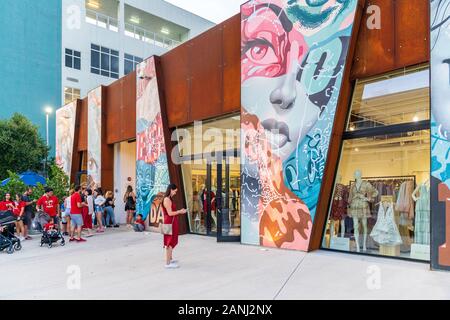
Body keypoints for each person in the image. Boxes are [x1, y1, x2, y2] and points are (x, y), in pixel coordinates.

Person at [162, 184, 187, 269]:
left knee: (170, 241)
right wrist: (180, 211)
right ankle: (168, 263)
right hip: (169, 222)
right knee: (169, 242)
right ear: (171, 190)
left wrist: (179, 211)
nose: (175, 193)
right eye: (175, 191)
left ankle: (170, 259)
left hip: (168, 222)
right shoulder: (167, 200)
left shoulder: (168, 199)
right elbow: (170, 213)